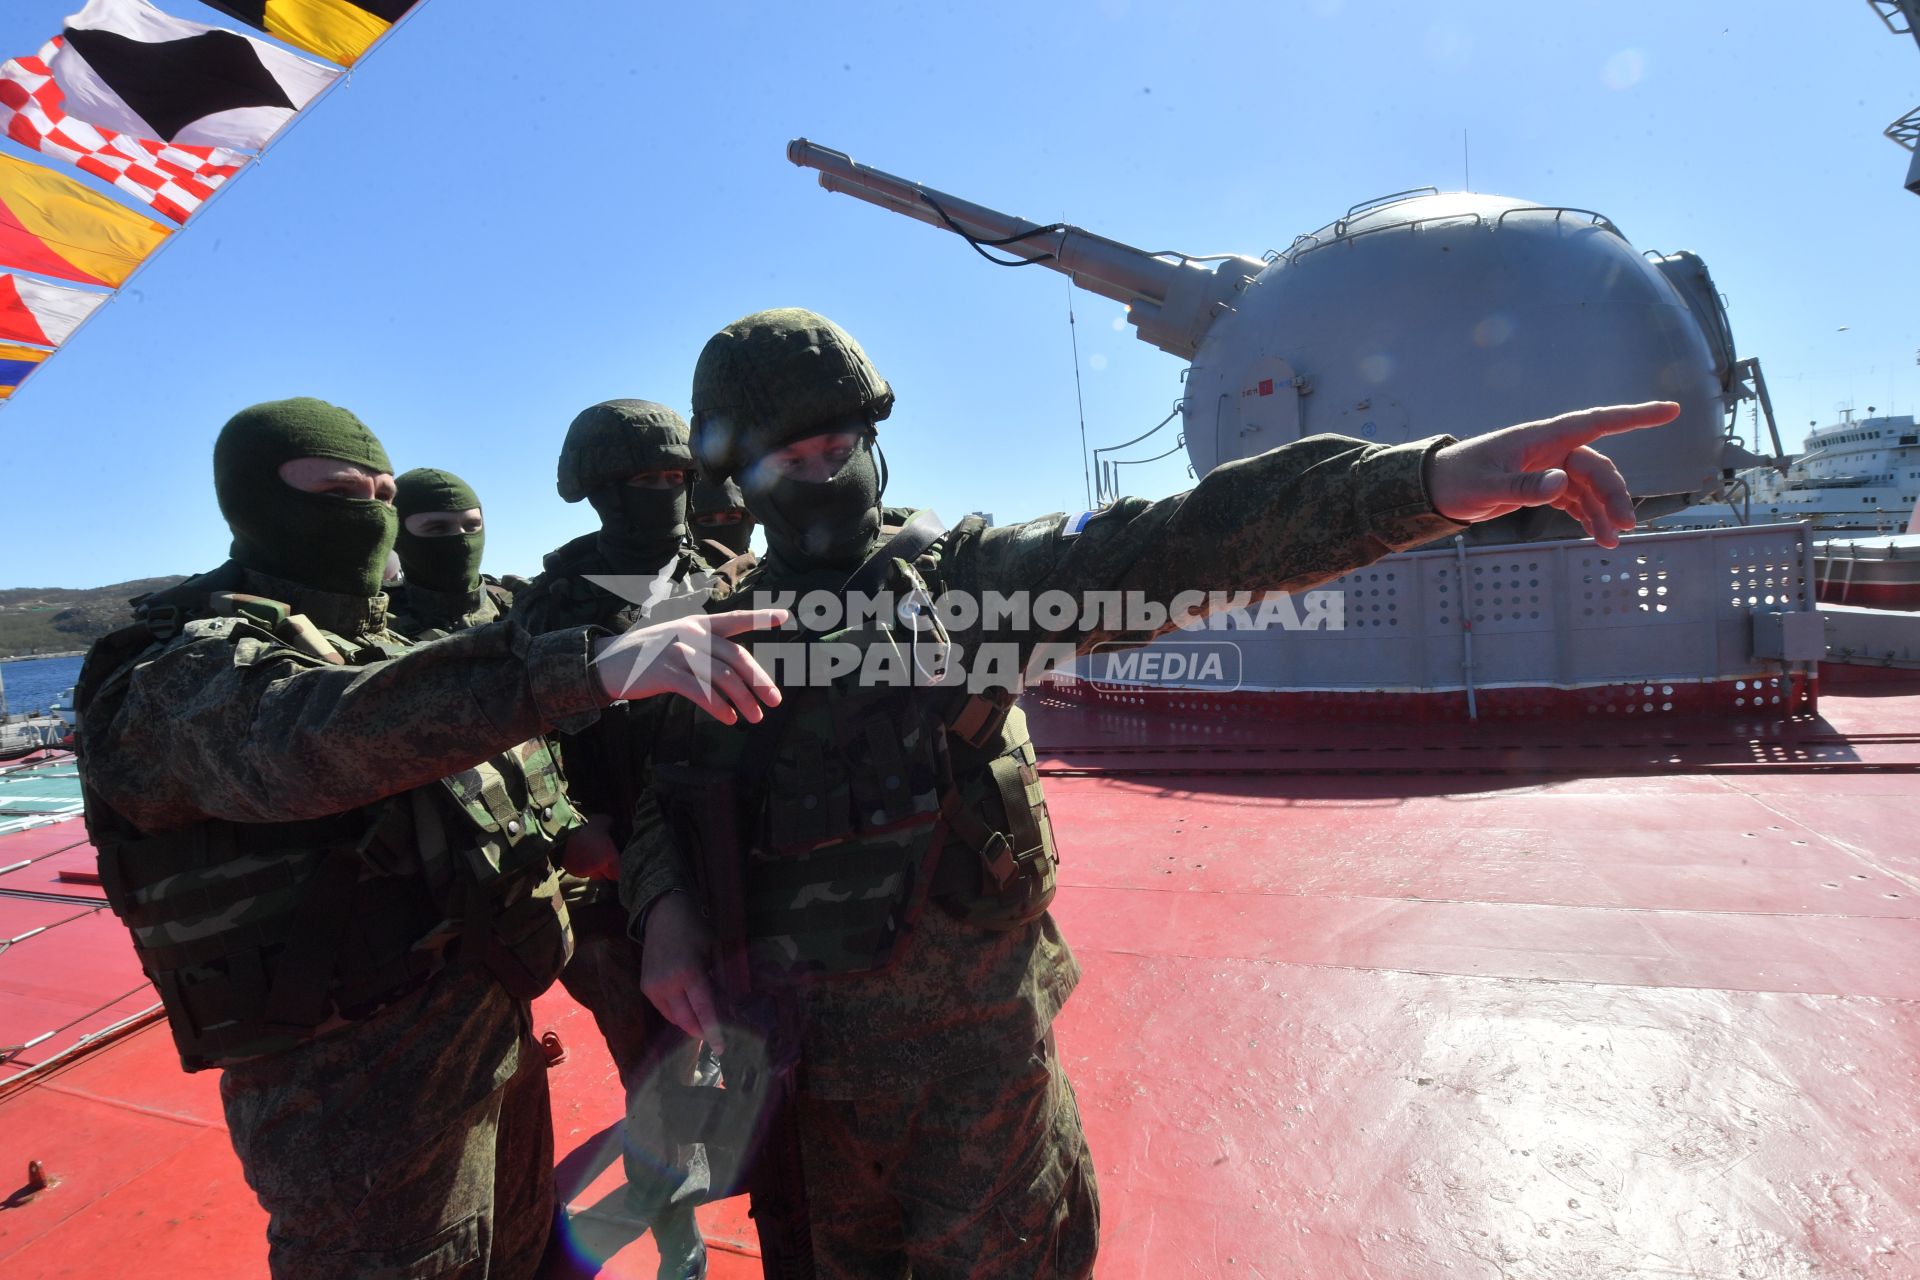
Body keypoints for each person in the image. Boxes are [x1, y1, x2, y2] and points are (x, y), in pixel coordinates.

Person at [628, 308, 1679, 1279]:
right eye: (791, 459)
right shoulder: (709, 626)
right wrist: (661, 909)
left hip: (976, 1081)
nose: (825, 477)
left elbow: (1189, 536)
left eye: (840, 449)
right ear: (741, 470)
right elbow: (654, 805)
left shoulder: (967, 587)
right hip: (801, 1088)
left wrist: (1425, 479)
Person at [73, 397, 784, 1280]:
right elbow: (307, 737)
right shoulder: (169, 665)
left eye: (379, 491)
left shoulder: (386, 638)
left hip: (487, 1033)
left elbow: (495, 777)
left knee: (522, 1259)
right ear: (253, 499)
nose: (369, 512)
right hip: (352, 1094)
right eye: (340, 490)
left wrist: (574, 839)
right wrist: (590, 666)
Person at [508, 399, 721, 1279]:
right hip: (608, 883)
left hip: (719, 862)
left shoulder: (723, 570)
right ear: (597, 493)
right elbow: (515, 737)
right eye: (645, 482)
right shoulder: (553, 602)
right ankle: (683, 1250)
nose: (666, 496)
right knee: (653, 1074)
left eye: (677, 479)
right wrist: (568, 827)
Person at [388, 466, 516, 640]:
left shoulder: (522, 605)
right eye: (438, 528)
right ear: (397, 536)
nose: (463, 541)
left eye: (471, 525)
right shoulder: (375, 618)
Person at [689, 473, 756, 567]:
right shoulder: (672, 577)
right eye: (707, 521)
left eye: (732, 518)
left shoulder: (772, 576)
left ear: (749, 521)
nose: (721, 528)